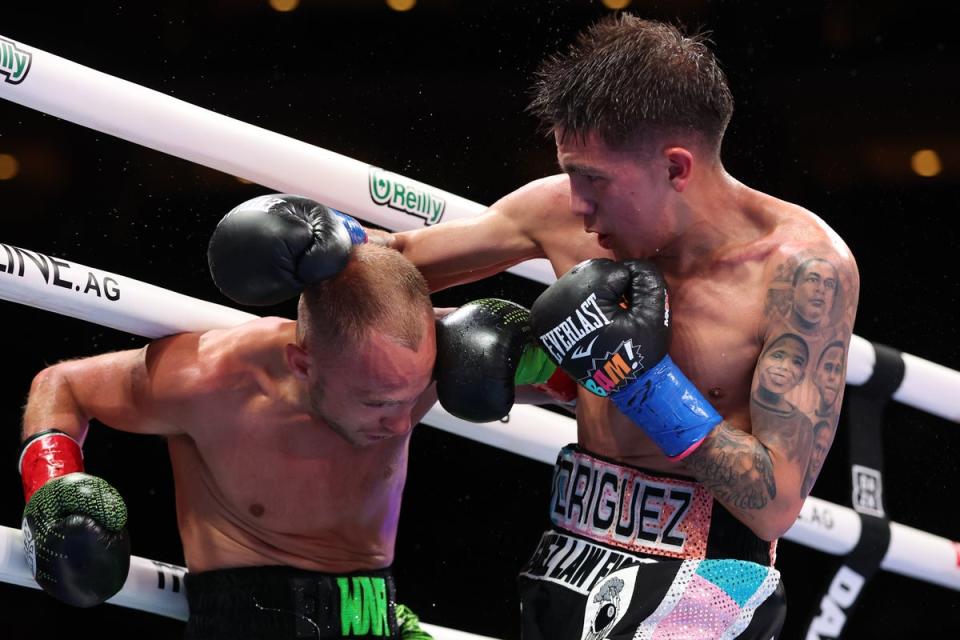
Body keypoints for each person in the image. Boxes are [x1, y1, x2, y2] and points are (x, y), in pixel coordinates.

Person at [379, 13, 860, 639]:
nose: (577, 206)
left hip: (712, 580)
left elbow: (775, 506)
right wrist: (322, 245)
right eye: (571, 174)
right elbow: (394, 270)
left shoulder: (801, 272)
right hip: (568, 551)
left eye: (595, 181)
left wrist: (642, 381)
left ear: (677, 168)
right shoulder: (557, 209)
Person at [18, 195, 440, 639]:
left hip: (380, 619)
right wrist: (53, 492)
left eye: (411, 398)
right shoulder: (210, 377)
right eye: (377, 402)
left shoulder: (416, 356)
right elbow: (63, 384)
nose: (401, 423)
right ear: (302, 363)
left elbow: (511, 233)